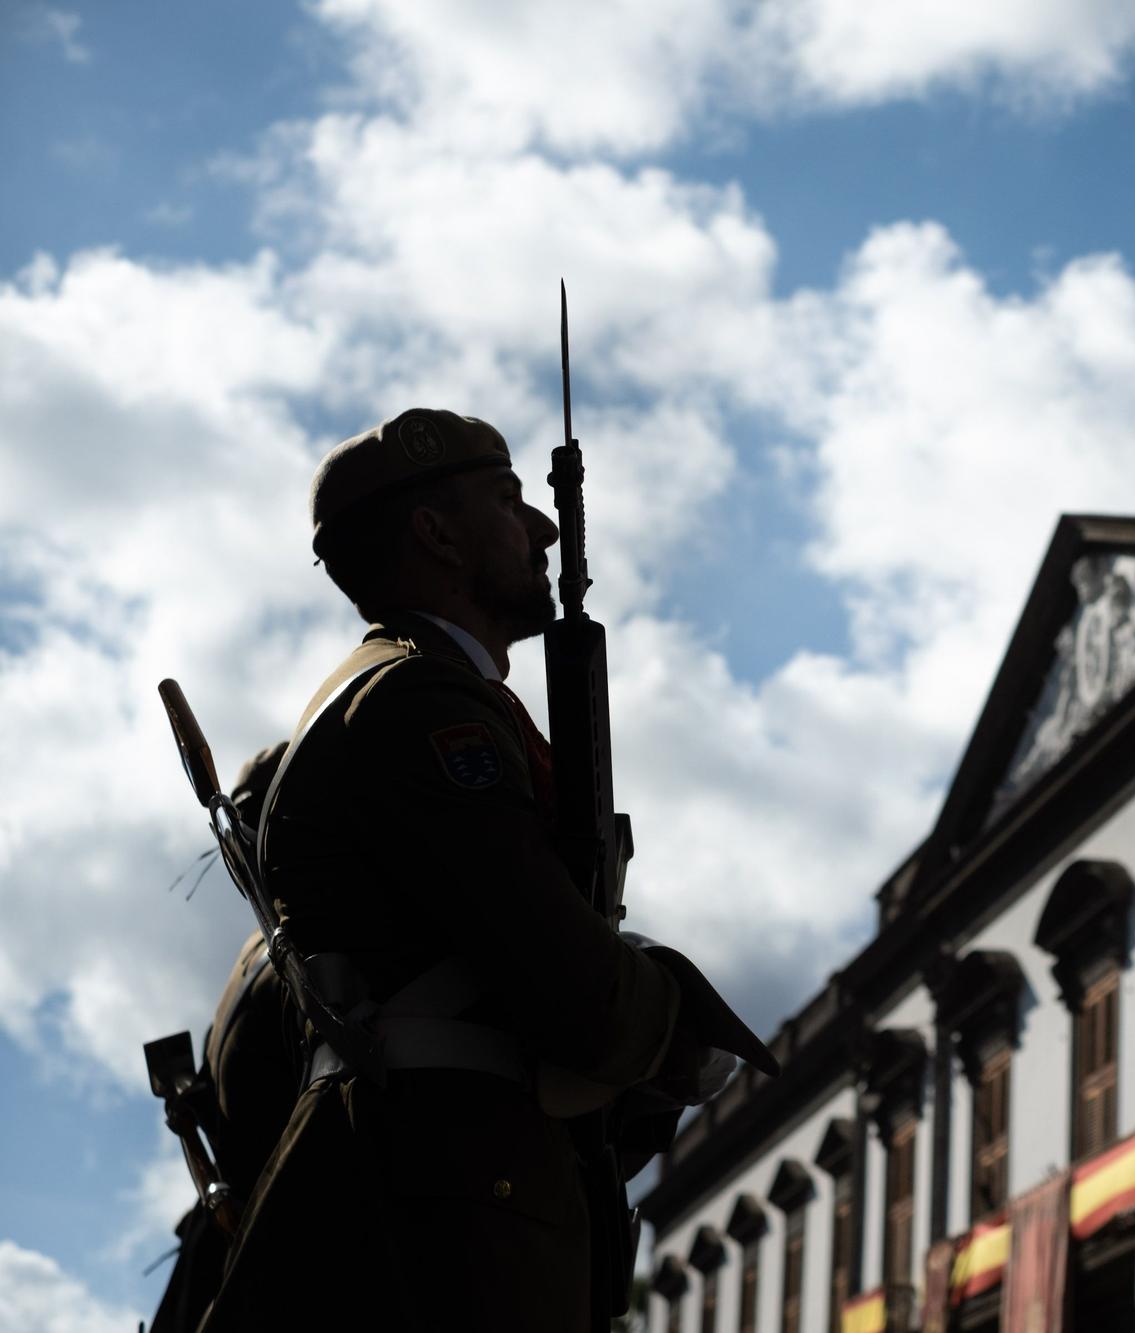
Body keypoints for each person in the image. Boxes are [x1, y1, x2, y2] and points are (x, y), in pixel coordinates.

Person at [200, 408, 761, 1333]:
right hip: (448, 1210)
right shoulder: (421, 705)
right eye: (508, 501)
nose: (544, 528)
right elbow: (558, 968)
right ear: (435, 532)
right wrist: (682, 1037)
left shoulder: (419, 693)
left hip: (445, 1185)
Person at [148, 744, 296, 1333]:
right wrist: (192, 1104)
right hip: (222, 1235)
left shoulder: (309, 948)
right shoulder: (250, 956)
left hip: (286, 1234)